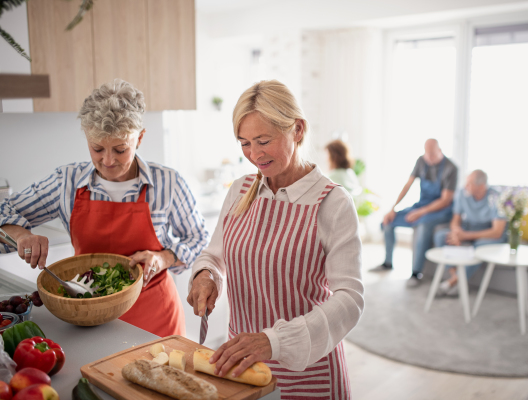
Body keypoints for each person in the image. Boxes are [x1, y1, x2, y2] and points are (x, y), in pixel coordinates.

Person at [187, 80, 363, 399]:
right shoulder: (240, 190)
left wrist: (275, 341)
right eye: (244, 143)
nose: (254, 155)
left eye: (263, 140)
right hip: (241, 370)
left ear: (297, 129)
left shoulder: (332, 202)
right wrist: (206, 275)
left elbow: (350, 299)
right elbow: (215, 255)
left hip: (309, 375)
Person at [0, 79, 209, 337]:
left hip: (155, 316)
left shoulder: (168, 182)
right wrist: (22, 235)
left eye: (120, 149)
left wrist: (164, 257)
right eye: (97, 148)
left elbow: (198, 238)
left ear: (139, 138)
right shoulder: (67, 181)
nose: (107, 161)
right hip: (88, 317)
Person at [374, 139, 457, 288]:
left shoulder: (451, 168)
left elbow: (445, 200)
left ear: (440, 151)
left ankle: (416, 273)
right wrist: (393, 208)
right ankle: (387, 263)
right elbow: (408, 185)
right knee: (388, 221)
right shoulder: (421, 161)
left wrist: (420, 212)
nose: (429, 157)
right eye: (426, 153)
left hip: (441, 210)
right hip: (421, 205)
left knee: (422, 226)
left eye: (432, 154)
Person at [433, 170, 506, 296]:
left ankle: (451, 283)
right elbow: (455, 220)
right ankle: (457, 278)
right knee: (441, 236)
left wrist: (465, 236)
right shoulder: (462, 193)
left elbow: (496, 232)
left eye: (469, 184)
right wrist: (456, 232)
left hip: (488, 232)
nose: (465, 186)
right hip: (468, 227)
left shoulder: (496, 197)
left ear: (482, 186)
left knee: (481, 246)